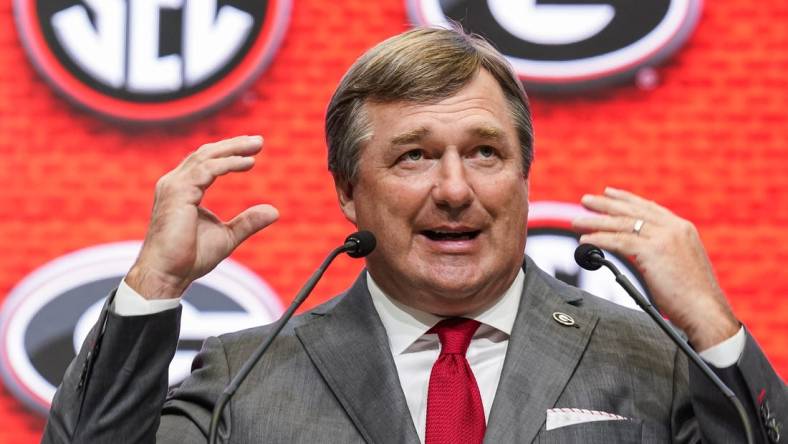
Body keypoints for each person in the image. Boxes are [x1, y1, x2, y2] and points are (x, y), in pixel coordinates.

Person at [43, 27, 784, 443]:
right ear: (349, 194)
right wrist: (156, 287)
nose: (455, 189)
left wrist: (714, 330)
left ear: (525, 177)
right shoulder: (248, 374)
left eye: (485, 153)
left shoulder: (656, 357)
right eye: (414, 156)